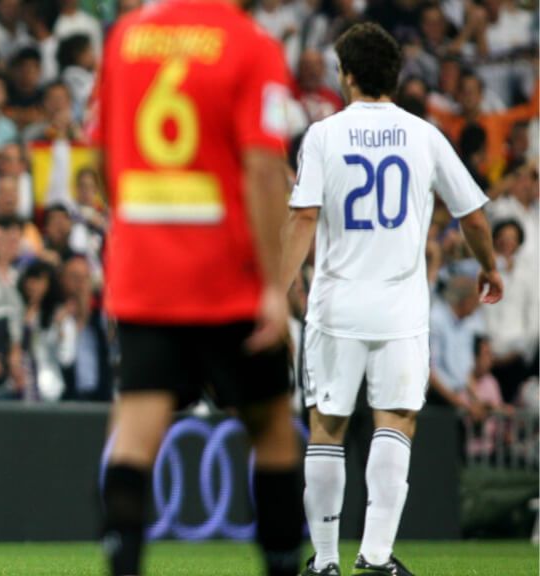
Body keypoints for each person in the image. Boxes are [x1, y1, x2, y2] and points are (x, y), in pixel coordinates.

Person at [281, 23, 503, 576]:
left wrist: (276, 285)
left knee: (327, 426)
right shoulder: (423, 135)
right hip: (401, 311)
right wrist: (489, 267)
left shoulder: (323, 135)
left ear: (347, 74)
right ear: (396, 77)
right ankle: (376, 558)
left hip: (335, 306)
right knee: (395, 422)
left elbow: (304, 216)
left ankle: (326, 563)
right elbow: (472, 216)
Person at [93, 1, 302, 575]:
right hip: (226, 278)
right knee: (273, 431)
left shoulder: (126, 37)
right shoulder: (252, 44)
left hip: (144, 275)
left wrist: (137, 235)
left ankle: (123, 565)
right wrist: (271, 283)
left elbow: (102, 153)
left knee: (134, 432)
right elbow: (263, 168)